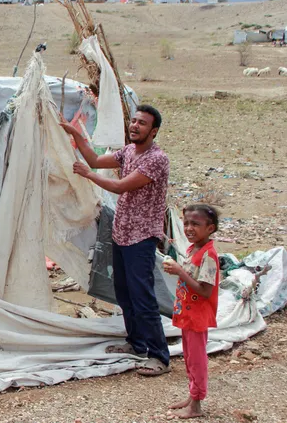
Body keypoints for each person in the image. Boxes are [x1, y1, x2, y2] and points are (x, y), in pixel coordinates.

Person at [59, 104, 171, 376]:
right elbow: (96, 160)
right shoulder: (129, 151)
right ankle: (136, 343)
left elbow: (120, 185)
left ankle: (159, 356)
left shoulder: (156, 159)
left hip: (141, 236)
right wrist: (76, 135)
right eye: (133, 121)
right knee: (124, 292)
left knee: (142, 295)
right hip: (122, 232)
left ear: (153, 131)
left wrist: (88, 176)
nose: (135, 126)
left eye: (142, 123)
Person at [162, 205, 220, 419]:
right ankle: (192, 394)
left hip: (197, 315)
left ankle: (196, 404)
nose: (188, 228)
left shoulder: (209, 255)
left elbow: (205, 290)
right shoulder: (193, 249)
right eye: (186, 223)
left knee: (197, 359)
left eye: (196, 224)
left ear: (210, 228)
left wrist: (179, 272)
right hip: (188, 313)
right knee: (188, 356)